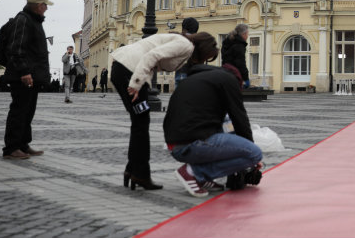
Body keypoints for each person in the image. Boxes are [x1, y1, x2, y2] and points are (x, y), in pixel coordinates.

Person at [111, 31, 219, 191]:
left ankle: (134, 170)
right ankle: (140, 174)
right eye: (207, 57)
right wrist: (136, 83)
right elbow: (152, 55)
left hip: (124, 67)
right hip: (130, 70)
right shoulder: (186, 45)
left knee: (139, 122)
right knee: (141, 123)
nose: (204, 60)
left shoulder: (183, 43)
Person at [164, 58, 263, 197]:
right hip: (191, 143)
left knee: (228, 143)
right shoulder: (228, 80)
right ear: (238, 81)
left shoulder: (200, 79)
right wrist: (252, 154)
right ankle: (194, 173)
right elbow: (239, 118)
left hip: (175, 144)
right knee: (254, 153)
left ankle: (202, 178)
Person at [1, 0, 53, 160]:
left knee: (27, 112)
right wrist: (24, 72)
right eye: (45, 6)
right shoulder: (23, 20)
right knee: (19, 111)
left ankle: (23, 144)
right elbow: (17, 49)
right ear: (39, 6)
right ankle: (11, 148)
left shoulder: (33, 21)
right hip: (23, 76)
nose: (46, 9)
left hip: (32, 76)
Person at [220, 24, 251, 89]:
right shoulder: (239, 45)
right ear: (244, 34)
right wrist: (246, 78)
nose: (247, 36)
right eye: (247, 34)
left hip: (225, 72)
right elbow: (241, 63)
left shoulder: (227, 41)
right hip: (235, 75)